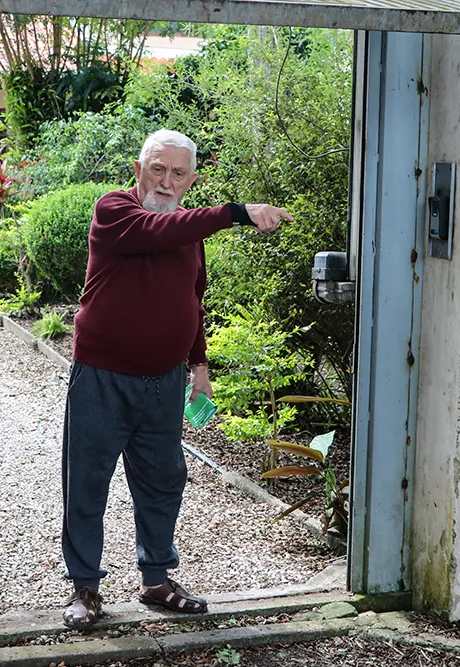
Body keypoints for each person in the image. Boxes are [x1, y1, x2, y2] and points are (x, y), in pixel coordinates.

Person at [61, 129, 293, 628]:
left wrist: (200, 369)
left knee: (164, 480)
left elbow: (194, 299)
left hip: (163, 382)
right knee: (87, 480)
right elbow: (155, 232)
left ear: (191, 180)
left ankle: (157, 580)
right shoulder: (115, 210)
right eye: (157, 169)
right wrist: (238, 212)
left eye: (178, 173)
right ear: (139, 170)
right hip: (103, 376)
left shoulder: (188, 233)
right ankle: (84, 587)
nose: (166, 181)